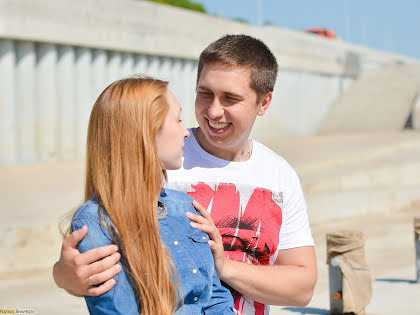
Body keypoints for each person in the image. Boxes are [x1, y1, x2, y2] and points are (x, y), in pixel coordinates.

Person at [53, 35, 318, 315]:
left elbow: (302, 288)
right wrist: (65, 275)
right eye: (205, 93)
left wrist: (223, 267)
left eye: (230, 98)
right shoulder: (162, 155)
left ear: (264, 103)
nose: (214, 111)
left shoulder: (279, 175)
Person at [64, 76, 235, 314]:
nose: (186, 132)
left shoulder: (185, 206)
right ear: (145, 132)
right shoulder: (96, 224)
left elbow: (215, 298)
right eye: (177, 120)